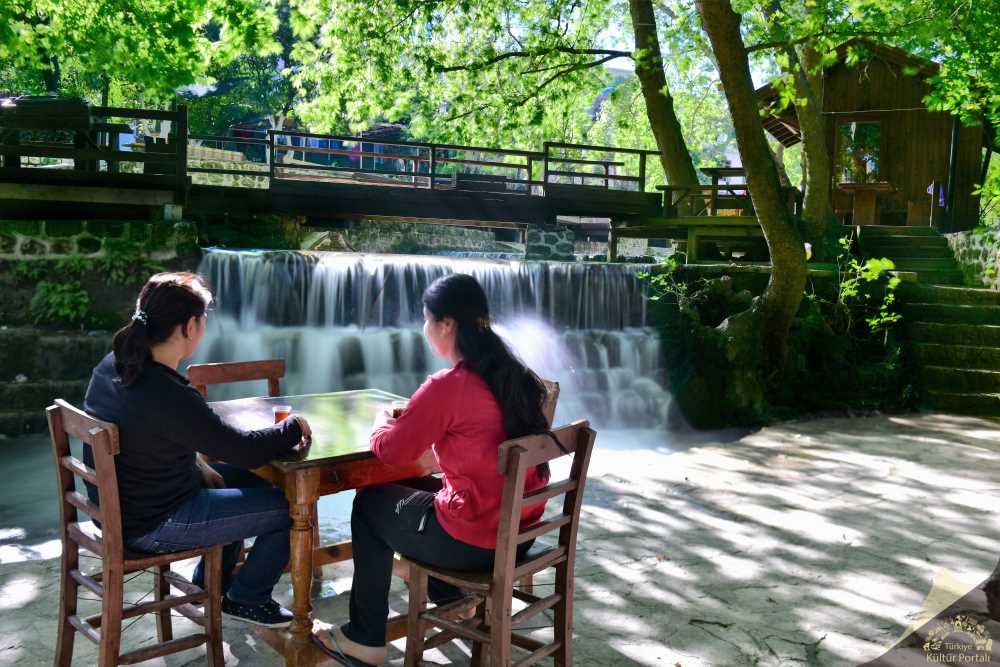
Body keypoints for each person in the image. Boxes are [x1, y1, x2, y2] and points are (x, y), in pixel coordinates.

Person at [313, 273, 551, 666]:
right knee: (414, 485)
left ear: (446, 325)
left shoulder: (450, 385)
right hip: (519, 534)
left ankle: (365, 638)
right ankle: (452, 597)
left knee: (369, 504)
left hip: (475, 543)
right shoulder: (514, 376)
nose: (424, 328)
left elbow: (391, 451)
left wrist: (380, 422)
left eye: (426, 319)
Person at [83, 272, 312, 628]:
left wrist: (196, 463)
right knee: (293, 510)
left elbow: (148, 432)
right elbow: (245, 450)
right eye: (203, 320)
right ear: (189, 327)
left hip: (125, 509)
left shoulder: (115, 364)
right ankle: (247, 598)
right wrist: (293, 427)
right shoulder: (168, 393)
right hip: (155, 523)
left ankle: (210, 582)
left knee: (256, 482)